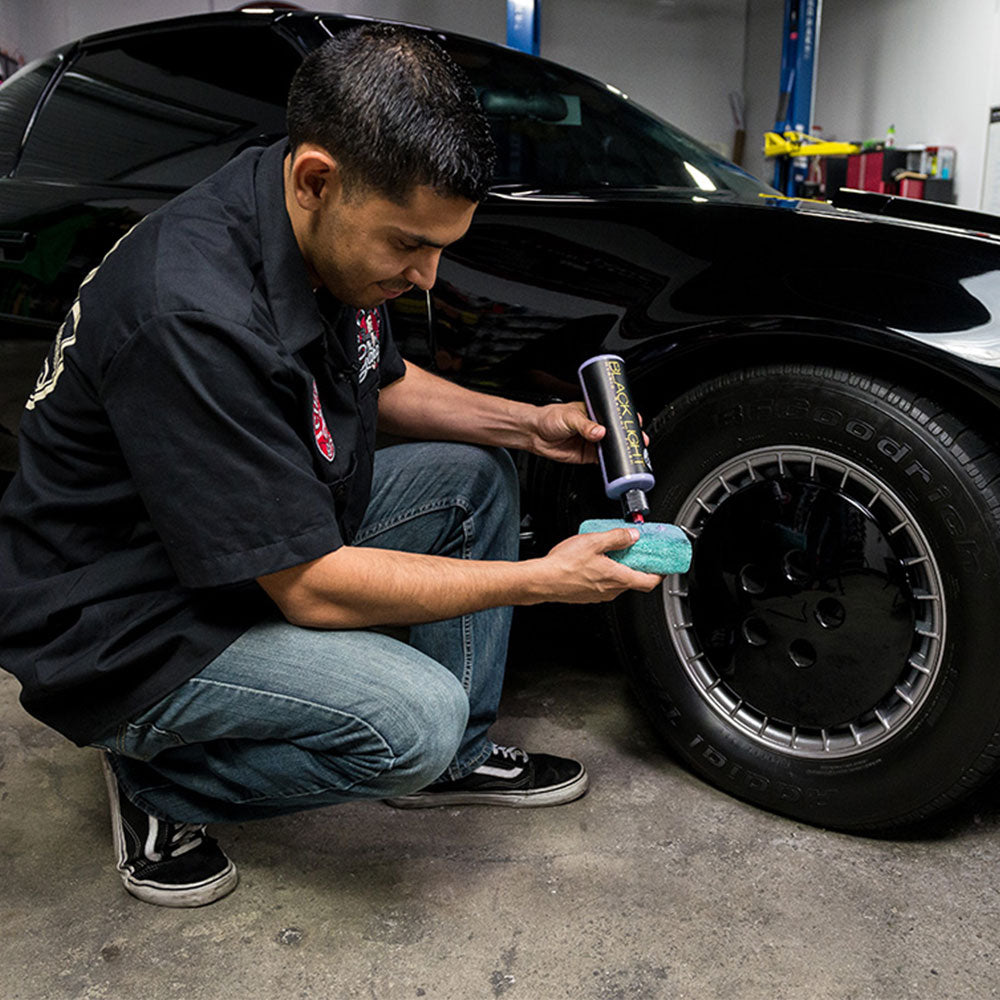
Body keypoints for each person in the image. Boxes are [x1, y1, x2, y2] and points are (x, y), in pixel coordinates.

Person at [0, 24, 662, 908]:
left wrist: (529, 425)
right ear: (317, 179)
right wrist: (541, 580)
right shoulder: (193, 314)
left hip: (231, 528)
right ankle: (160, 778)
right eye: (408, 245)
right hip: (126, 619)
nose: (427, 277)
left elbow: (381, 379)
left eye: (441, 247)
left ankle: (455, 764)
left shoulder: (309, 219)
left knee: (473, 478)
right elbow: (311, 589)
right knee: (414, 722)